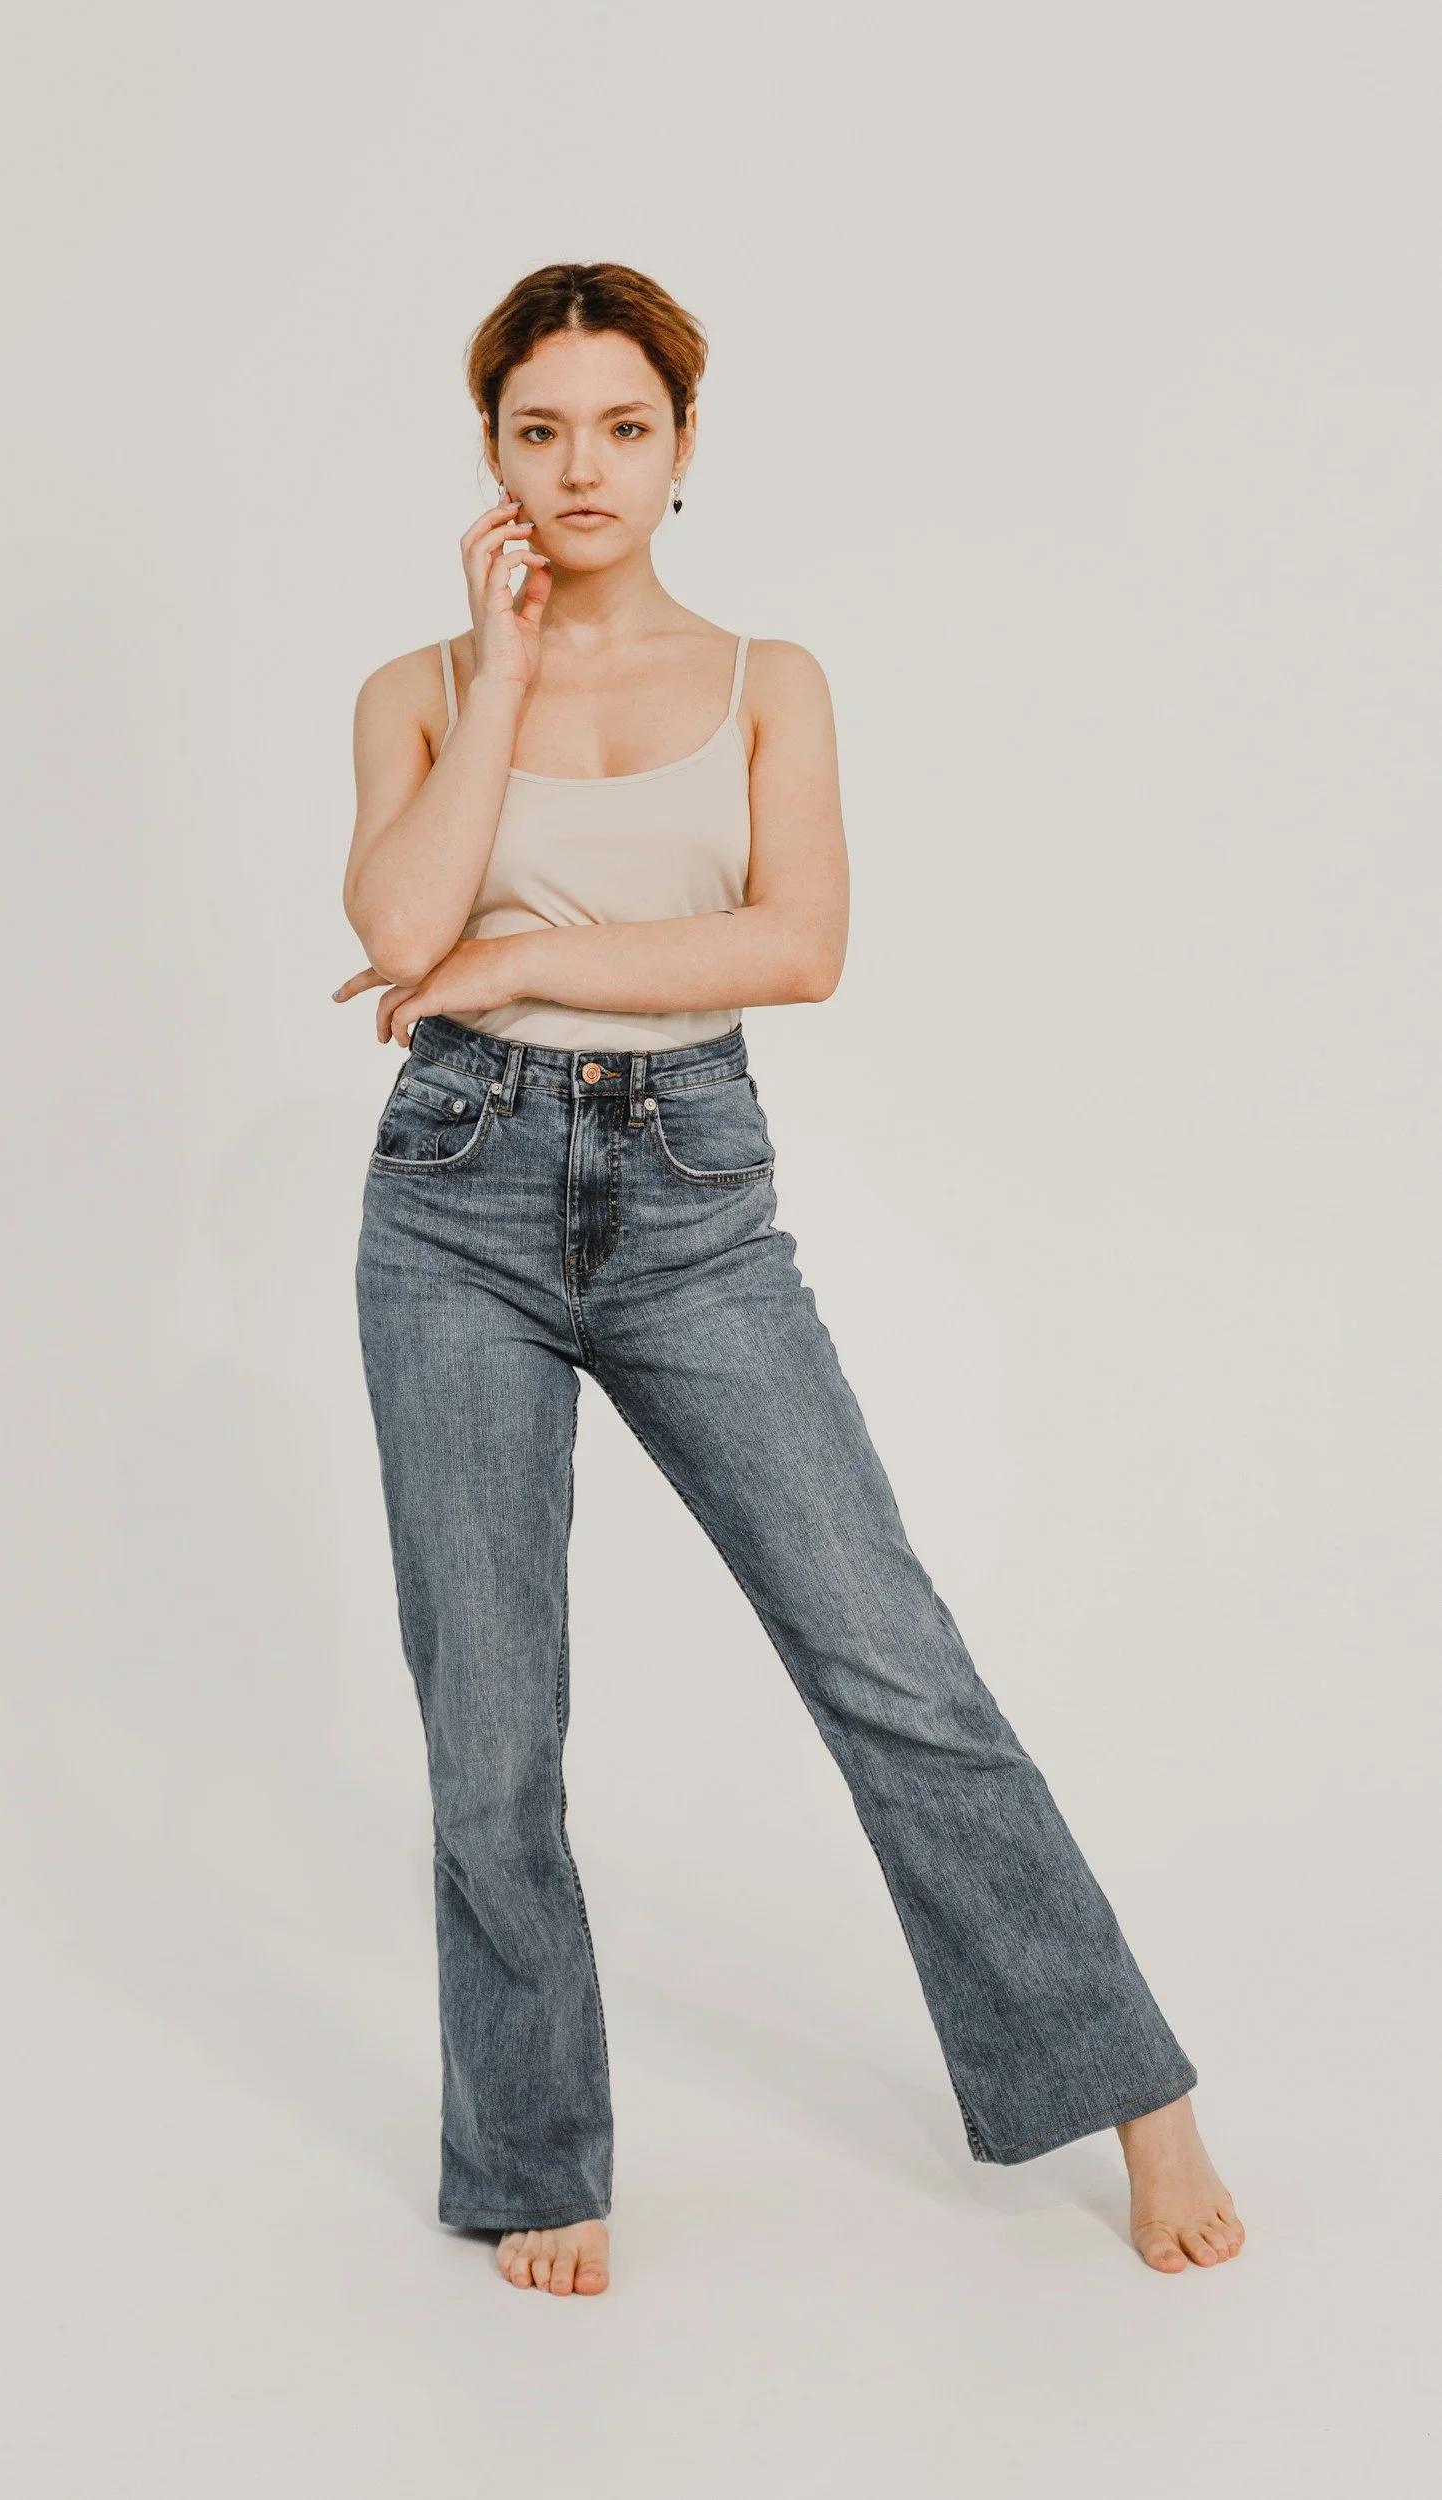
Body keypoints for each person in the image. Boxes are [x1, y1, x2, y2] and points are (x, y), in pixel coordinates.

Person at [334, 262, 1244, 2298]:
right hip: (451, 1198)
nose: (581, 467)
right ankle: (534, 2151)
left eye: (622, 426)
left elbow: (790, 945)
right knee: (486, 1719)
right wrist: (492, 683)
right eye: (537, 428)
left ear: (683, 444)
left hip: (686, 1194)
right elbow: (399, 918)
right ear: (486, 450)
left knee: (884, 1653)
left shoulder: (770, 675)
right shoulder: (416, 684)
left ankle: (1129, 2083)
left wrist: (513, 959)